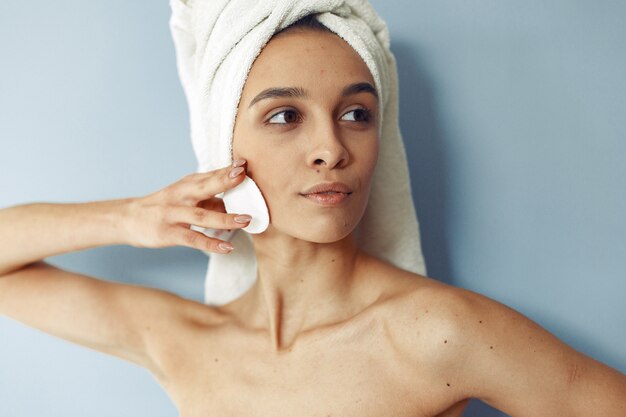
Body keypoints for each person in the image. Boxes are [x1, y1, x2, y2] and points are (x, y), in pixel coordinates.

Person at [1, 7, 625, 417]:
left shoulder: (435, 333)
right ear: (226, 145)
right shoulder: (182, 341)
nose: (331, 148)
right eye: (284, 116)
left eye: (356, 114)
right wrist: (130, 219)